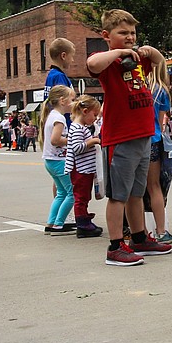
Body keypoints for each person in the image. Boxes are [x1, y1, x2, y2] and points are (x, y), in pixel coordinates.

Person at [85, 9, 172, 267]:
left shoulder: (135, 60)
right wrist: (119, 53)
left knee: (137, 191)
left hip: (143, 134)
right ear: (106, 35)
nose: (129, 37)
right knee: (119, 194)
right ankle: (115, 246)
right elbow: (92, 64)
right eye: (122, 33)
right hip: (121, 137)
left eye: (132, 33)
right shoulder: (109, 62)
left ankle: (139, 237)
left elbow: (158, 61)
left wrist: (148, 49)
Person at [64, 94, 104, 238]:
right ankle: (82, 224)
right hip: (80, 169)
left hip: (84, 168)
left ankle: (84, 218)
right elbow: (76, 147)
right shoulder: (77, 128)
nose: (95, 118)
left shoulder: (81, 127)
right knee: (81, 196)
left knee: (84, 196)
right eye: (94, 115)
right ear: (85, 111)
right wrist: (93, 141)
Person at [39, 85, 76, 235]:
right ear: (62, 101)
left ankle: (51, 222)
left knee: (61, 192)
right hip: (59, 160)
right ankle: (59, 224)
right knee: (72, 193)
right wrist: (71, 140)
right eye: (72, 100)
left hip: (50, 160)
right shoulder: (59, 118)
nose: (74, 103)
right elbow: (55, 140)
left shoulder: (51, 115)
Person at [145, 60, 172, 243]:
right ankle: (161, 230)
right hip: (154, 139)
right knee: (154, 186)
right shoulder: (161, 91)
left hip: (134, 140)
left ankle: (136, 231)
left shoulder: (137, 87)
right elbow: (161, 120)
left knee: (134, 189)